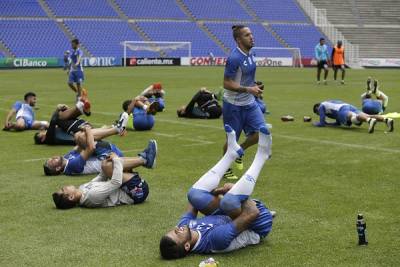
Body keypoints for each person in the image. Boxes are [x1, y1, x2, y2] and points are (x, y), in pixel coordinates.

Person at [159, 125, 273, 259]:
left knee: (193, 195)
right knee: (228, 202)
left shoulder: (184, 226)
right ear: (187, 246)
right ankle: (262, 155)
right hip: (258, 222)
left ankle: (231, 154)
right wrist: (230, 190)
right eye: (177, 234)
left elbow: (193, 201)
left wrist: (215, 191)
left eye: (173, 230)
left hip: (230, 213)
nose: (178, 228)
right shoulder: (215, 240)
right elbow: (253, 213)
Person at [222, 25, 266, 179]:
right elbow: (226, 83)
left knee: (261, 133)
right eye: (247, 35)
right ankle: (224, 169)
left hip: (249, 103)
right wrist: (249, 89)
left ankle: (240, 151)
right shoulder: (234, 58)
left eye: (251, 34)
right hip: (233, 105)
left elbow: (246, 78)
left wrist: (254, 87)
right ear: (238, 39)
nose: (252, 37)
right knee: (231, 140)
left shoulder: (250, 54)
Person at [43, 126, 157, 176]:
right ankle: (145, 159)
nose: (52, 157)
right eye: (52, 161)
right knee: (84, 137)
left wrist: (81, 131)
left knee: (79, 136)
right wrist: (88, 130)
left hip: (104, 154)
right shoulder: (71, 166)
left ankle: (115, 127)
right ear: (58, 168)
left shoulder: (67, 158)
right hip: (107, 159)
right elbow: (90, 148)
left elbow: (78, 145)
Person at [52, 152, 150, 209]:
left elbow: (101, 178)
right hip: (135, 193)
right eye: (63, 189)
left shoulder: (82, 189)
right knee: (113, 164)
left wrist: (104, 162)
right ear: (71, 197)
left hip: (126, 186)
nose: (64, 186)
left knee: (106, 165)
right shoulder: (91, 196)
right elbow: (116, 182)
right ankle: (144, 160)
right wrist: (116, 159)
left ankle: (144, 159)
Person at [34, 102, 127, 145]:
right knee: (58, 118)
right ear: (42, 139)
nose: (43, 131)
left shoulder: (54, 133)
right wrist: (58, 109)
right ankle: (79, 109)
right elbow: (53, 121)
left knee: (61, 118)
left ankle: (115, 127)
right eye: (41, 133)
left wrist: (63, 109)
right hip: (79, 131)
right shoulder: (49, 139)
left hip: (79, 127)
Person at [313, 100, 394, 133]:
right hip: (347, 105)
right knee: (367, 115)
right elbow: (338, 123)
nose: (319, 113)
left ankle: (369, 121)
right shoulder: (328, 106)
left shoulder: (321, 106)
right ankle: (387, 120)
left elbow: (322, 123)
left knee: (354, 118)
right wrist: (329, 124)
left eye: (318, 113)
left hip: (341, 109)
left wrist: (315, 123)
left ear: (317, 108)